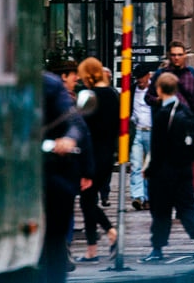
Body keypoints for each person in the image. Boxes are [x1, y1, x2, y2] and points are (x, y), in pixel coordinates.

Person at [141, 72, 194, 264]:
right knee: (187, 207)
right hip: (184, 169)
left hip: (164, 172)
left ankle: (157, 249)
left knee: (161, 211)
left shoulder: (162, 114)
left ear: (159, 89)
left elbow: (157, 147)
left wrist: (150, 169)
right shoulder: (186, 111)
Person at [40, 70, 91, 282]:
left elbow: (75, 122)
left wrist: (68, 139)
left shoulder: (48, 85)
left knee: (55, 227)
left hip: (47, 167)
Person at [75, 58, 119, 262]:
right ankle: (93, 247)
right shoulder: (113, 94)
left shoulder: (90, 96)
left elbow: (82, 128)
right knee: (89, 200)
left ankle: (108, 234)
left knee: (87, 200)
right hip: (107, 154)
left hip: (91, 155)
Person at [129, 62, 156, 209]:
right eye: (137, 77)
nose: (139, 80)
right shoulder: (132, 90)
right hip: (137, 131)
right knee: (136, 164)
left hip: (152, 131)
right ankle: (138, 196)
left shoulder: (155, 89)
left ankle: (148, 197)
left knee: (150, 166)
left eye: (141, 77)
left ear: (148, 76)